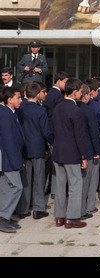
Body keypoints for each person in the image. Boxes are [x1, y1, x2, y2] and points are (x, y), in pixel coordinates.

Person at [52, 78, 88, 229]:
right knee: (75, 184)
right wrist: (84, 156)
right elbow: (79, 136)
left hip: (58, 151)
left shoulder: (57, 107)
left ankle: (59, 217)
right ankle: (72, 218)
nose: (81, 93)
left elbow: (52, 130)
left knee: (60, 185)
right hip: (71, 152)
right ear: (75, 92)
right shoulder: (76, 110)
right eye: (80, 91)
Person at [16, 82, 53, 220]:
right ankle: (38, 209)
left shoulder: (20, 109)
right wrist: (51, 143)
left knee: (25, 179)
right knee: (39, 179)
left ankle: (23, 208)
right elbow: (46, 131)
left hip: (24, 147)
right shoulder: (40, 110)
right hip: (38, 148)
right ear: (38, 94)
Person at [0, 87, 25, 233]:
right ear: (9, 100)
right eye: (18, 98)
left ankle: (5, 216)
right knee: (17, 187)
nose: (20, 100)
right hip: (7, 160)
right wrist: (16, 162)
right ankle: (3, 217)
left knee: (5, 188)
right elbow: (8, 142)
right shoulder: (5, 115)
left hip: (8, 159)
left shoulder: (8, 112)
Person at [77, 84, 100, 218]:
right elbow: (94, 132)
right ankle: (85, 208)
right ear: (86, 95)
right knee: (87, 181)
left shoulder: (71, 108)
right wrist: (97, 150)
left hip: (74, 150)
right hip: (88, 149)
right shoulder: (88, 110)